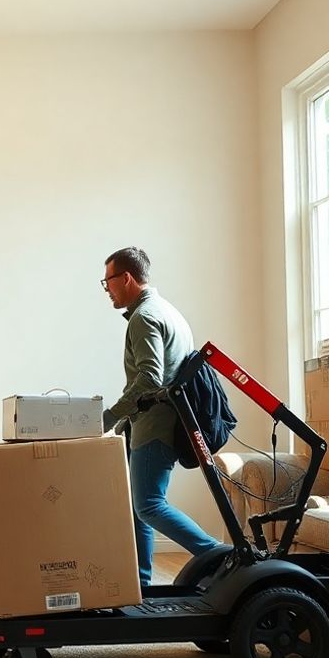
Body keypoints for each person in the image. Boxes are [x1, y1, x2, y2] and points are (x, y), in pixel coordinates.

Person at [99, 246, 219, 592]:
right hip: (154, 422)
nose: (107, 289)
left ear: (126, 278)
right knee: (139, 507)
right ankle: (141, 584)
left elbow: (151, 377)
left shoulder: (144, 317)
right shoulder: (168, 311)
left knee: (149, 505)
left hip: (157, 427)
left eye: (108, 281)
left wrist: (110, 416)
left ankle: (218, 555)